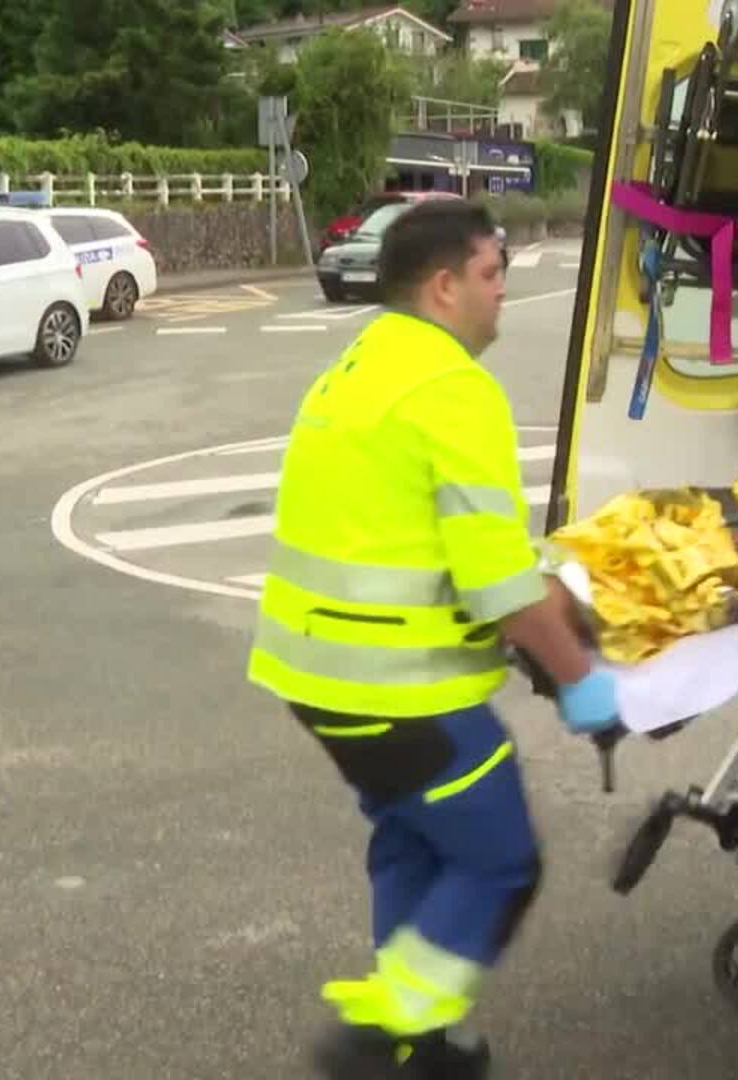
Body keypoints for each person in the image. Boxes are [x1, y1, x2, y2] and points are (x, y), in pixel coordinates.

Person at [246, 200, 618, 1079]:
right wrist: (581, 682)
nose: (502, 292)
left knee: (416, 838)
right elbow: (501, 590)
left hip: (317, 676)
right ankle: (384, 1035)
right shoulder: (453, 389)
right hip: (399, 687)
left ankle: (424, 1041)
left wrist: (541, 582)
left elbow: (421, 532)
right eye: (492, 273)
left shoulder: (364, 363)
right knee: (499, 862)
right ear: (444, 286)